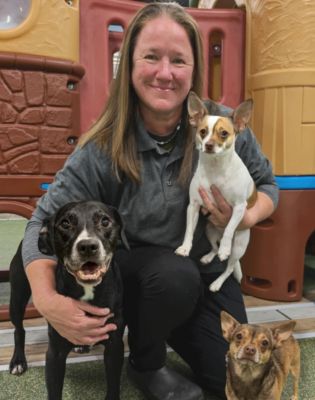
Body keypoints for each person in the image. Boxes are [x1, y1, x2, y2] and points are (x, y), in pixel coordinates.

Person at [22, 2, 278, 400]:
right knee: (173, 276)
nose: (165, 72)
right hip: (141, 273)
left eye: (179, 60)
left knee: (228, 380)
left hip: (204, 267)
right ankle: (145, 360)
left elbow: (268, 186)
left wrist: (247, 217)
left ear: (193, 70)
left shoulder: (222, 124)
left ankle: (168, 324)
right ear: (129, 65)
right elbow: (39, 223)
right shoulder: (103, 146)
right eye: (151, 57)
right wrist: (48, 299)